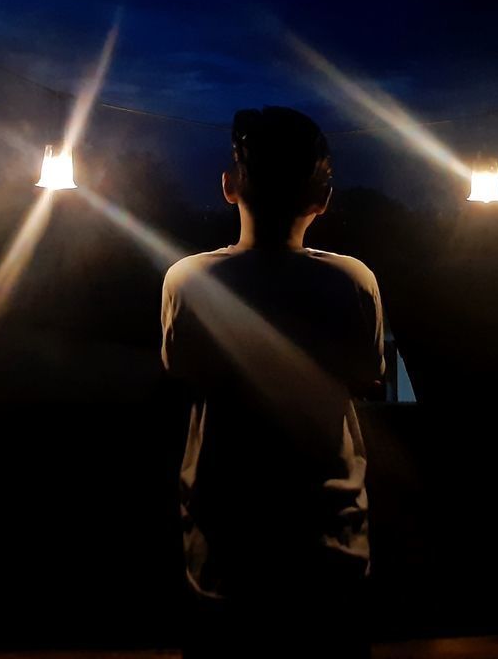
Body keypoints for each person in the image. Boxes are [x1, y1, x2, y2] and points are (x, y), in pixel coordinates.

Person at [161, 106, 386, 659]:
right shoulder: (354, 281)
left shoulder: (187, 280)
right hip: (330, 546)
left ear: (228, 186)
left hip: (223, 547)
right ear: (322, 199)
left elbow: (179, 374)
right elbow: (372, 377)